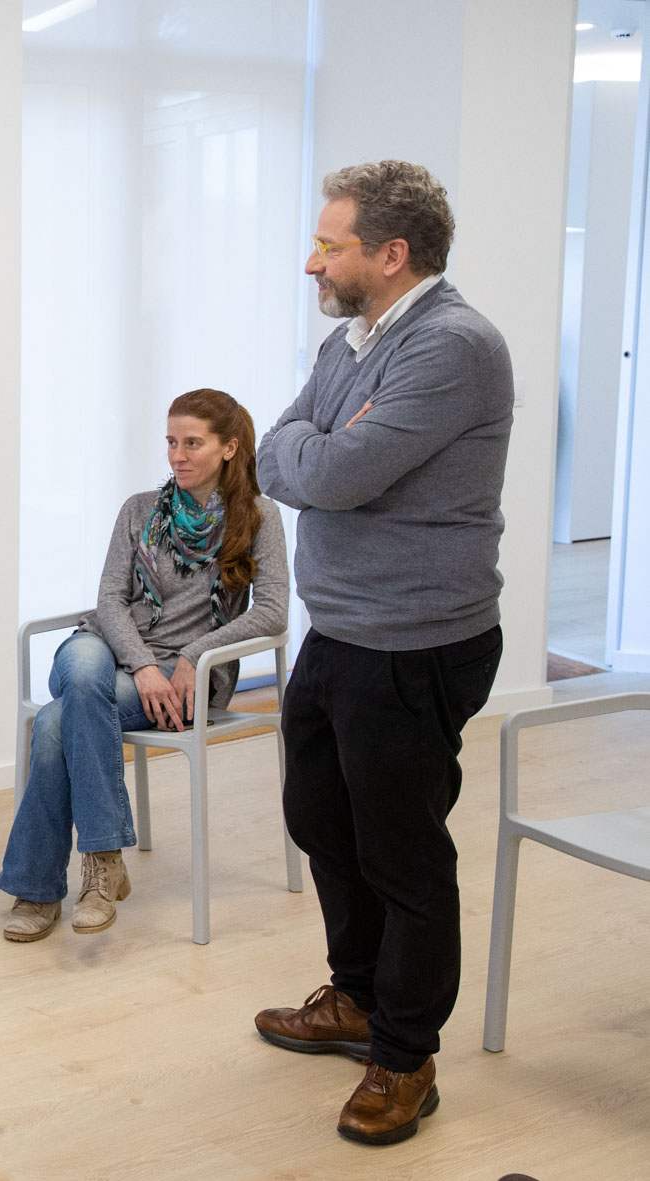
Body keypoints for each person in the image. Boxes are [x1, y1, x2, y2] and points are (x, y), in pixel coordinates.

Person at [254, 160, 511, 1146]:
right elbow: (277, 446)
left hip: (416, 640)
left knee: (402, 855)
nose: (310, 261)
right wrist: (315, 447)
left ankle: (404, 1055)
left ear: (391, 253)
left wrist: (319, 451)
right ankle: (356, 995)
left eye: (329, 244)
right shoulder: (350, 340)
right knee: (319, 818)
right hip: (339, 630)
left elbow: (333, 473)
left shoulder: (453, 347)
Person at [0, 389, 288, 941]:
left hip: (187, 674)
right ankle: (104, 858)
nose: (178, 455)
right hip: (105, 648)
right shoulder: (139, 510)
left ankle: (37, 890)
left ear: (229, 448)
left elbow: (272, 613)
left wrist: (193, 654)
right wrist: (143, 666)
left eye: (193, 443)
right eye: (171, 441)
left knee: (57, 722)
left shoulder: (258, 517)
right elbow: (109, 599)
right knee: (81, 675)